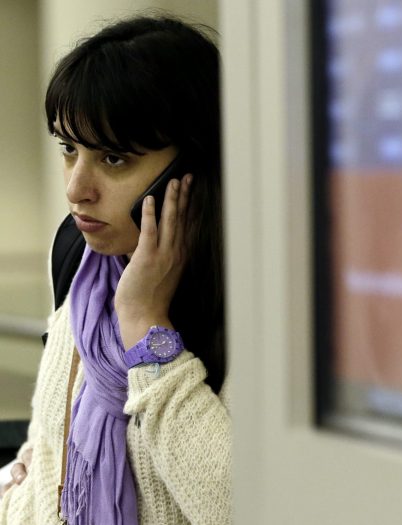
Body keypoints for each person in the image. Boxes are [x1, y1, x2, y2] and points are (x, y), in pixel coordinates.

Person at [0, 14, 230, 524]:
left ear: (193, 167)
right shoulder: (83, 262)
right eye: (69, 149)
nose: (76, 189)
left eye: (115, 159)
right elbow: (48, 454)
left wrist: (147, 322)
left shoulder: (245, 303)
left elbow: (242, 506)